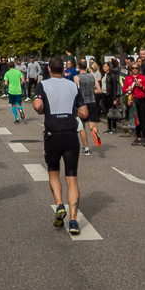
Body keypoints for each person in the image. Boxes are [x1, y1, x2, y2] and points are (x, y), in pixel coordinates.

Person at [34, 57, 88, 235]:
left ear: (49, 69)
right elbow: (84, 112)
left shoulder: (43, 85)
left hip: (53, 134)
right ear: (64, 69)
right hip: (71, 135)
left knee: (53, 171)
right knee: (72, 178)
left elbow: (38, 106)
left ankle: (59, 205)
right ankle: (73, 221)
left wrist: (44, 109)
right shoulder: (73, 85)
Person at [74, 60, 99, 154]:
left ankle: (86, 148)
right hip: (92, 101)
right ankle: (95, 132)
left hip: (82, 103)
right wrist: (92, 92)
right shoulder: (92, 77)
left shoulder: (77, 77)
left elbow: (77, 90)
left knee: (82, 127)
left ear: (79, 67)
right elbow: (99, 90)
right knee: (92, 125)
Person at [124, 64, 145, 146]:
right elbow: (124, 90)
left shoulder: (142, 77)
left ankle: (144, 137)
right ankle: (138, 137)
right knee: (136, 119)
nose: (134, 69)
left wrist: (140, 85)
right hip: (133, 100)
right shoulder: (128, 78)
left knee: (142, 118)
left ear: (138, 69)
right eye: (133, 68)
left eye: (136, 68)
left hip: (141, 99)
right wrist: (128, 89)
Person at [102, 61, 123, 134]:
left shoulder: (112, 75)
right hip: (104, 94)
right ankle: (109, 127)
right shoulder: (104, 75)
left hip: (110, 94)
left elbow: (114, 87)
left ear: (109, 67)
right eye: (103, 66)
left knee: (113, 111)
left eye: (106, 66)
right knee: (107, 112)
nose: (104, 68)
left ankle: (114, 127)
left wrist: (114, 98)